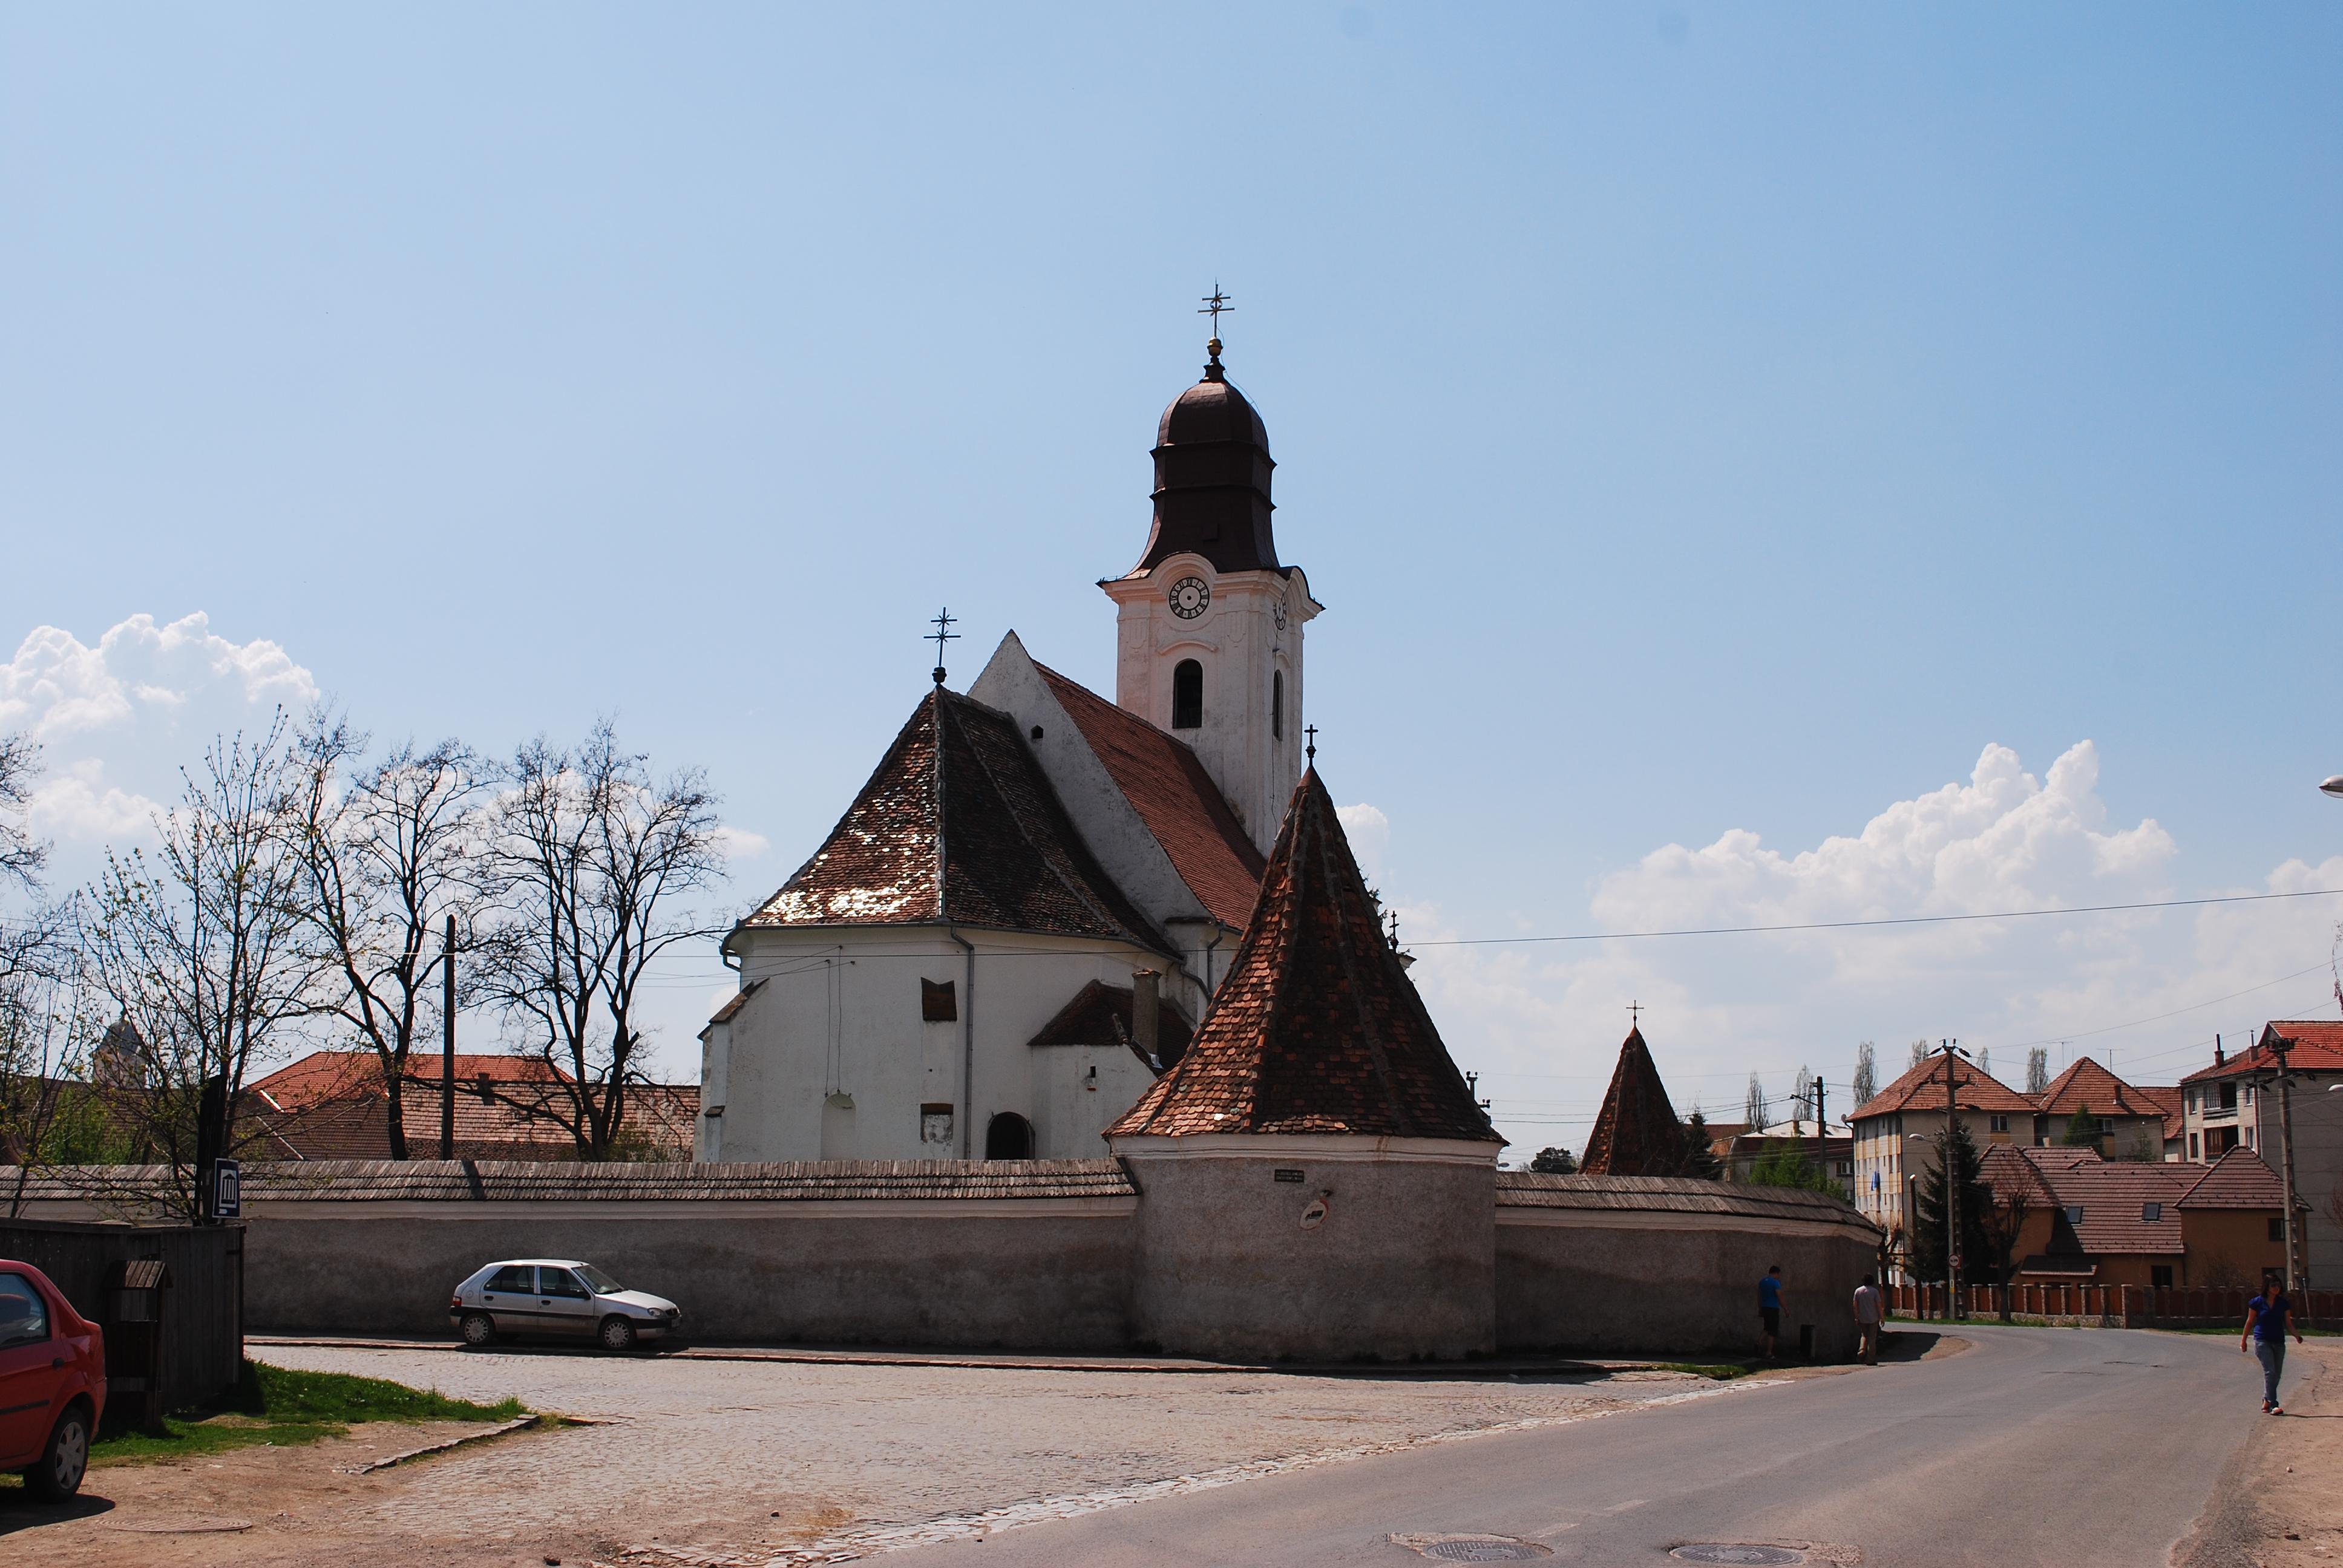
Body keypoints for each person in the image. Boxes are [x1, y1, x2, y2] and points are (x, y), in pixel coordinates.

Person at [2243, 1274, 2305, 1415]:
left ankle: (2267, 1399)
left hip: (2279, 1342)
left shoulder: (2283, 1303)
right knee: (2270, 1373)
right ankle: (2273, 1405)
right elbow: (2250, 1322)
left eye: (2278, 1285)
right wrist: (2244, 1340)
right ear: (2267, 1287)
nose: (2277, 1288)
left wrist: (2296, 1335)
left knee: (2277, 1375)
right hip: (2262, 1341)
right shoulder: (2256, 1303)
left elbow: (2288, 1323)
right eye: (2273, 1285)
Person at [1852, 1273, 1883, 1365]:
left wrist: (1857, 1317)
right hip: (1873, 1318)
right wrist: (1882, 1318)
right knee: (1872, 1338)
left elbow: (1855, 1306)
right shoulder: (1874, 1292)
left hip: (1862, 1317)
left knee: (1864, 1336)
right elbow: (1879, 1306)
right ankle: (1870, 1359)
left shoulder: (1858, 1291)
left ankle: (1861, 1351)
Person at [1758, 1264, 1784, 1359]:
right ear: (1776, 1273)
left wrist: (1760, 1309)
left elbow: (1759, 1297)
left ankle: (1759, 1342)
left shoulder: (1762, 1282)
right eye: (1778, 1274)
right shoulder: (1775, 1283)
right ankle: (1769, 1352)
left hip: (1765, 1308)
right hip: (1773, 1308)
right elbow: (1780, 1296)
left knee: (1767, 1327)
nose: (1779, 1277)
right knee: (1772, 1332)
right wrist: (1786, 1309)